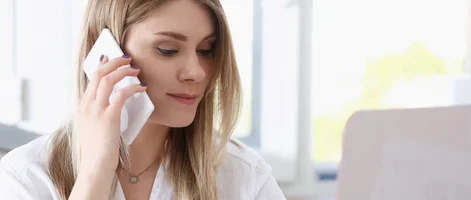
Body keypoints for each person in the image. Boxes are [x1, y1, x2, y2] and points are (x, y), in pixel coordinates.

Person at [0, 0, 286, 199]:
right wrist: (96, 171)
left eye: (206, 49)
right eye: (168, 50)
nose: (196, 72)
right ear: (105, 52)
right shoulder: (26, 177)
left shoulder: (244, 176)